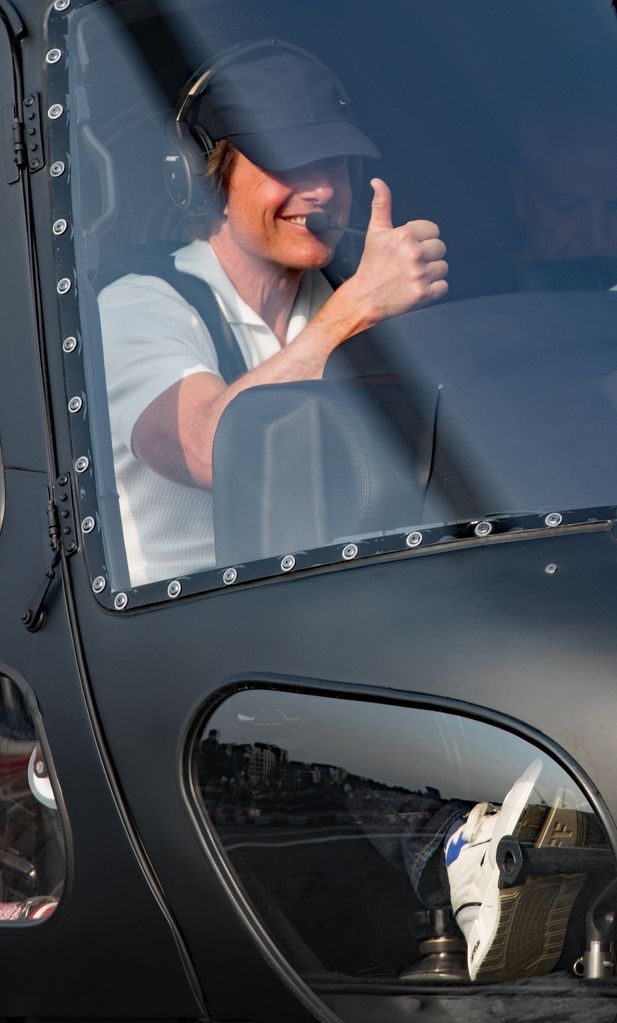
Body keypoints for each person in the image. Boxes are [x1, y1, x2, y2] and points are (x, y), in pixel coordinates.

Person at [98, 42, 448, 586]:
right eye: (287, 163)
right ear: (204, 177)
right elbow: (206, 449)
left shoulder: (343, 304)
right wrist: (357, 307)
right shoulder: (135, 306)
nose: (325, 190)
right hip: (184, 638)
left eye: (335, 163)